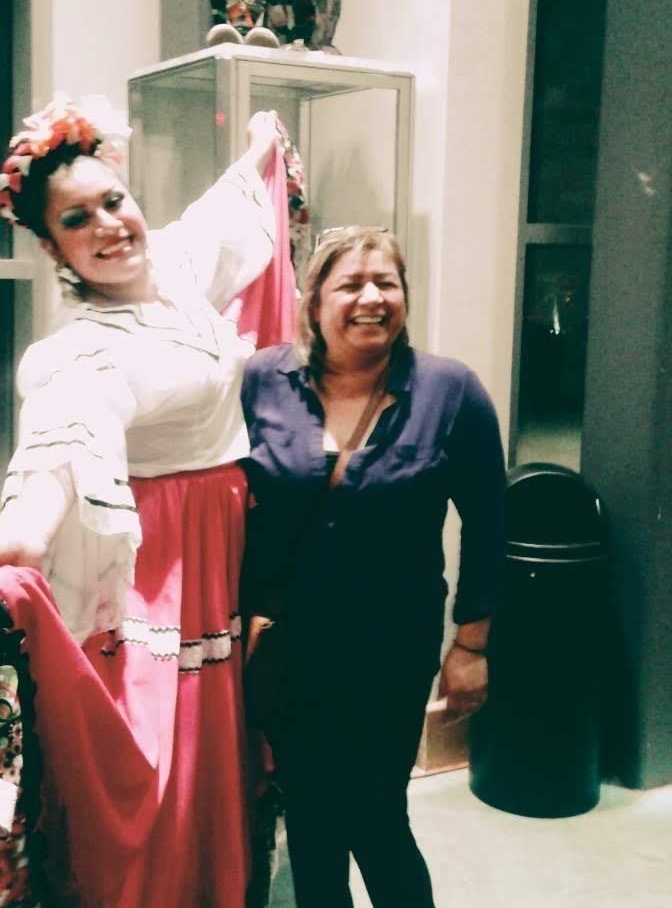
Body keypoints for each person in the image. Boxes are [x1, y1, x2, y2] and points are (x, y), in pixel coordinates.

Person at [0, 95, 289, 908]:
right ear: (53, 247)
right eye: (78, 220)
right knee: (161, 751)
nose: (109, 225)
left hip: (226, 541)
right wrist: (24, 529)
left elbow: (222, 219)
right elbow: (67, 435)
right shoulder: (82, 350)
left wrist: (263, 144)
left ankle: (216, 880)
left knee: (216, 738)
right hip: (167, 559)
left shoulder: (176, 267)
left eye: (114, 200)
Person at [240, 225, 507, 908]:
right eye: (351, 284)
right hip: (288, 647)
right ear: (314, 300)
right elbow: (226, 502)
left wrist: (471, 646)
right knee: (309, 817)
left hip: (391, 649)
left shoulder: (451, 391)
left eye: (386, 283)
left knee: (376, 814)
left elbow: (489, 523)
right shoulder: (261, 381)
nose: (371, 298)